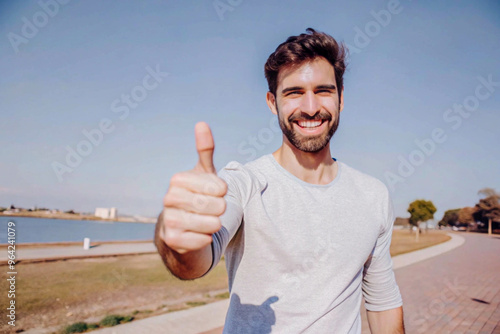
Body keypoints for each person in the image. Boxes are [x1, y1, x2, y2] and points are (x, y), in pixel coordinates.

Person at [155, 28, 405, 333]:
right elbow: (195, 262)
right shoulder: (244, 182)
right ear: (273, 103)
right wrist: (177, 241)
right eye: (294, 92)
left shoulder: (373, 195)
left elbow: (382, 303)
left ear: (341, 99)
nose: (311, 108)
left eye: (323, 91)